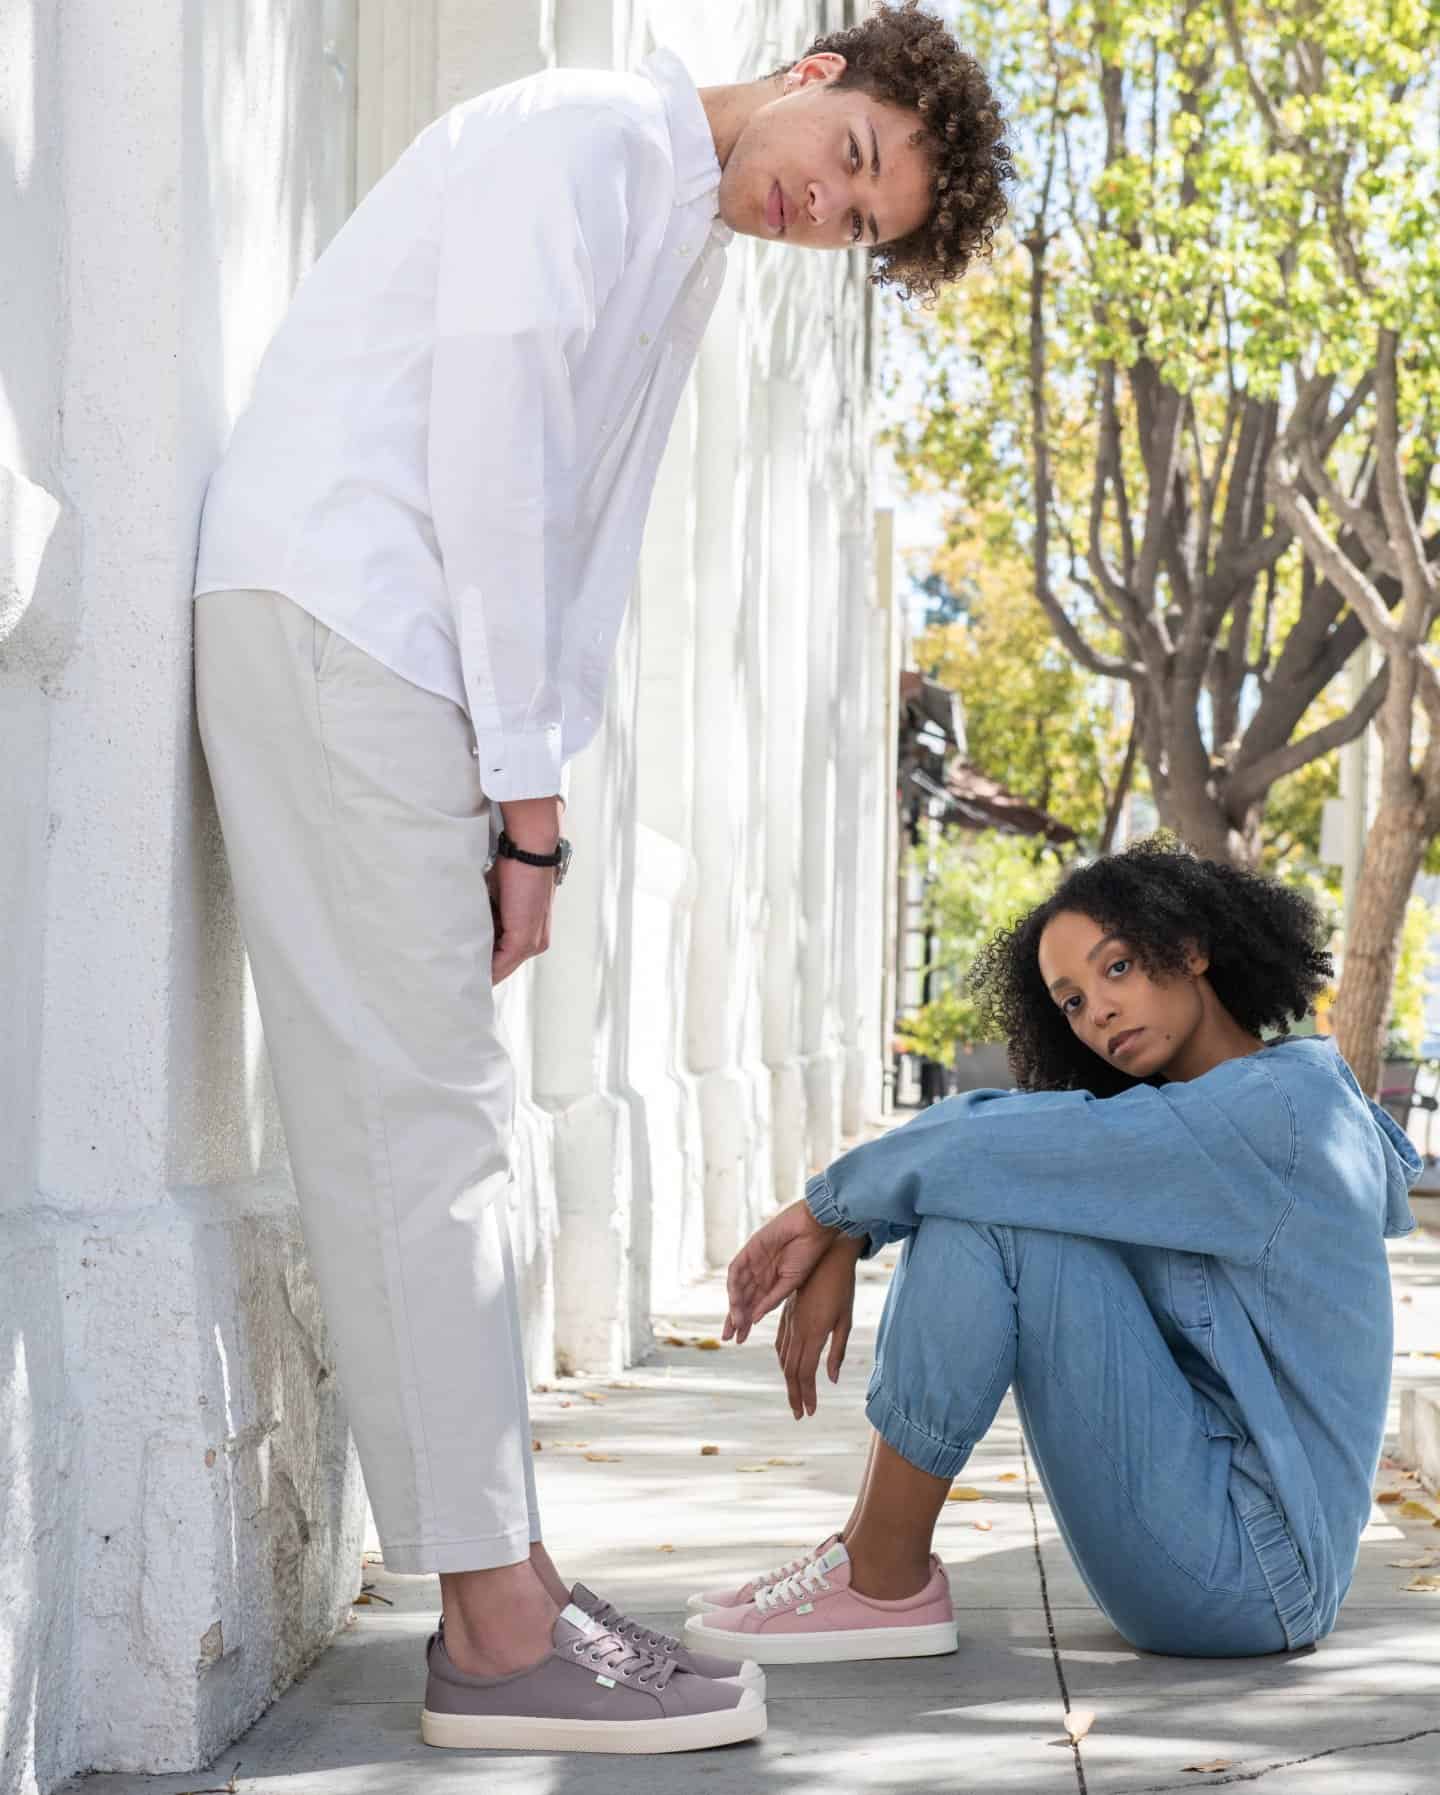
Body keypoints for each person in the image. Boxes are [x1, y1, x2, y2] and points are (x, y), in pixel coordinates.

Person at [192, 0, 1011, 1759]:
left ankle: (521, 1588)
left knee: (443, 1115)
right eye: (851, 162)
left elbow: (578, 536)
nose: (828, 211)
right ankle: (493, 1635)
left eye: (861, 227)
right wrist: (533, 807)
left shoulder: (677, 231)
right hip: (351, 614)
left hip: (406, 651)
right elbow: (493, 479)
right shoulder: (577, 144)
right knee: (429, 1118)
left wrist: (531, 806)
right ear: (816, 76)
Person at [690, 839, 1420, 1666]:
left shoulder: (1273, 1115)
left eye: (1116, 970)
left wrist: (829, 1212)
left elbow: (998, 1147)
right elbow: (1018, 1152)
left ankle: (882, 1575)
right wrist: (848, 1227)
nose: (1097, 1013)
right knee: (1001, 1200)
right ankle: (865, 1554)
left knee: (997, 1220)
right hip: (1228, 1544)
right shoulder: (1216, 1112)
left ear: (1189, 949)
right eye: (1070, 1001)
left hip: (1250, 1573)